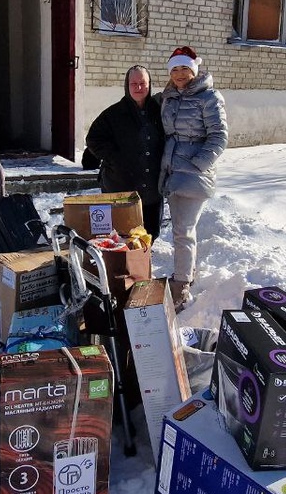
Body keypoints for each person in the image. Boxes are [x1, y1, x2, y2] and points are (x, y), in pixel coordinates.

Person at [159, 45, 228, 310]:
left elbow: (219, 136)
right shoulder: (169, 97)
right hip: (173, 172)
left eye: (184, 68)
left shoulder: (209, 97)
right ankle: (186, 274)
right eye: (174, 69)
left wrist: (198, 164)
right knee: (182, 229)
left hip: (193, 175)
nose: (179, 74)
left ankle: (181, 286)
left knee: (182, 232)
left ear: (194, 70)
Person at [84, 65, 165, 237]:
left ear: (150, 84)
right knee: (123, 235)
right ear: (126, 86)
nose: (138, 87)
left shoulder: (159, 111)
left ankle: (142, 262)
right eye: (133, 83)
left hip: (152, 188)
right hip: (121, 186)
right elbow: (93, 138)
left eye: (143, 83)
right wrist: (115, 158)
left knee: (151, 234)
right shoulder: (113, 114)